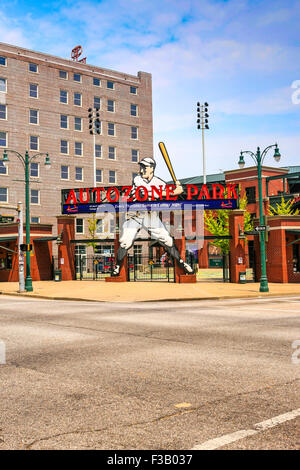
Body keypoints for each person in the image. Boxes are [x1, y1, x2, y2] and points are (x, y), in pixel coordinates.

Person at [112, 157, 193, 276]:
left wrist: (178, 190)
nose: (142, 170)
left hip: (151, 216)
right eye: (141, 167)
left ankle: (182, 263)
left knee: (168, 240)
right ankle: (117, 267)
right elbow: (148, 192)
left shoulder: (159, 182)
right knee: (125, 241)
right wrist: (174, 192)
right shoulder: (137, 179)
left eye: (145, 167)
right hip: (135, 215)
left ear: (152, 168)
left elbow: (163, 192)